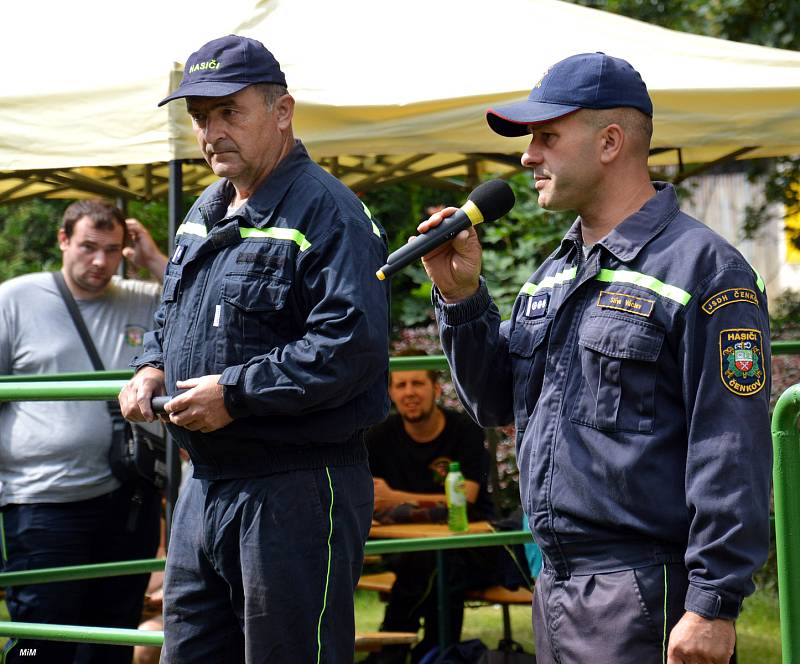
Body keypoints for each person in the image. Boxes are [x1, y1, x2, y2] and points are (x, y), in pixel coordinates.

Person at [419, 52, 771, 664]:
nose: (529, 157)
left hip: (644, 593)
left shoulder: (706, 270)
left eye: (547, 136)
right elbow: (494, 402)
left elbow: (731, 448)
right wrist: (462, 298)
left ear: (610, 142)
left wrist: (712, 603)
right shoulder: (554, 273)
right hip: (554, 585)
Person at [118, 34, 390, 663]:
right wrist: (151, 364)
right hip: (205, 484)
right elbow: (170, 310)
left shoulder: (330, 213)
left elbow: (350, 345)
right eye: (200, 117)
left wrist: (236, 395)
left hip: (295, 484)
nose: (210, 132)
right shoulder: (205, 210)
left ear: (282, 111)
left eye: (228, 112)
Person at [0, 199, 168, 663]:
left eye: (112, 249)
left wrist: (154, 259)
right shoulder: (14, 299)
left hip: (128, 499)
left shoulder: (140, 295)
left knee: (110, 639)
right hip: (43, 501)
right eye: (88, 247)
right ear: (63, 240)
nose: (99, 262)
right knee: (40, 641)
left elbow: (197, 298)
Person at [366, 351, 494, 663]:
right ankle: (435, 653)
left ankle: (395, 652)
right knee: (429, 563)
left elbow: (467, 499)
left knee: (438, 564)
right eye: (401, 384)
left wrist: (396, 498)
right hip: (405, 546)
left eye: (418, 383)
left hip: (470, 543)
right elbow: (369, 501)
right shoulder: (379, 436)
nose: (409, 392)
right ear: (391, 392)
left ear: (436, 389)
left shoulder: (465, 430)